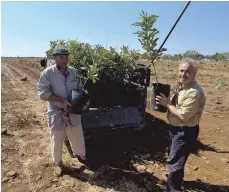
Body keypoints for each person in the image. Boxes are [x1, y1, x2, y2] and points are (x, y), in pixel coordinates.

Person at [37, 46, 90, 175]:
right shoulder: (47, 73)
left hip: (73, 109)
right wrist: (61, 100)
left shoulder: (73, 72)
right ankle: (58, 162)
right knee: (57, 136)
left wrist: (86, 101)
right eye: (61, 57)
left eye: (66, 57)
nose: (64, 59)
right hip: (56, 110)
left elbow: (81, 88)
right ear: (55, 58)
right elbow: (43, 94)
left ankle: (80, 156)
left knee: (77, 132)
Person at [156, 58, 206, 192]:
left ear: (194, 74)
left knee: (175, 163)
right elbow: (175, 104)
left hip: (184, 131)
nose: (183, 74)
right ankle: (176, 178)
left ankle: (173, 189)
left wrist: (167, 104)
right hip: (175, 128)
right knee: (175, 158)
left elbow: (184, 116)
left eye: (187, 72)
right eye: (181, 71)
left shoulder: (194, 93)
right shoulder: (182, 86)